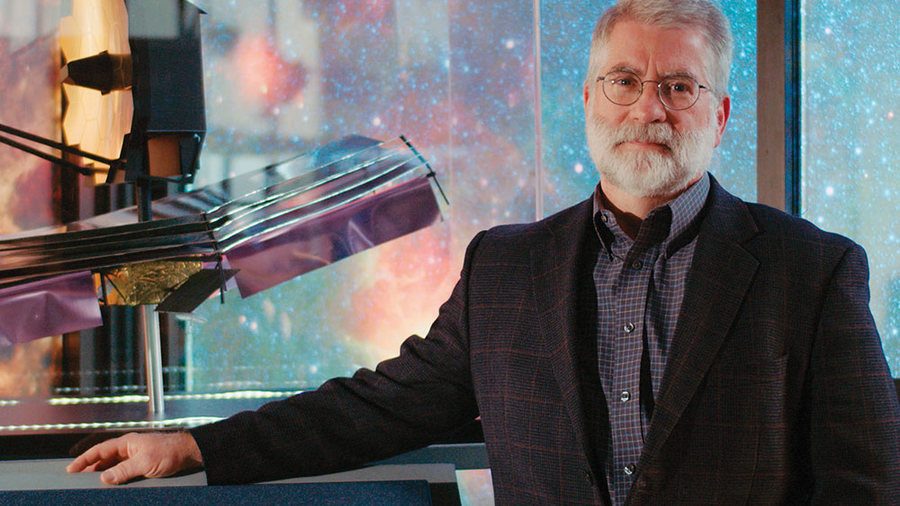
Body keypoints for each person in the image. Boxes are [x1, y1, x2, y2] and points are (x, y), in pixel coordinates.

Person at [68, 0, 900, 503]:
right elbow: (380, 405)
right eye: (625, 80)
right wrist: (198, 446)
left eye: (680, 86)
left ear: (718, 116)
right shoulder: (507, 268)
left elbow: (865, 486)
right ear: (588, 100)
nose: (650, 106)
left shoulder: (813, 271)